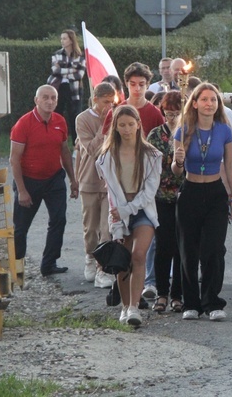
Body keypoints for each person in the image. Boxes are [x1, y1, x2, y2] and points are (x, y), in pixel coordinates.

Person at [171, 83, 232, 321]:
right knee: (188, 250)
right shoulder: (184, 130)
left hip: (215, 193)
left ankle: (212, 301)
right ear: (196, 102)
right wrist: (178, 161)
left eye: (214, 99)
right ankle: (191, 302)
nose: (209, 103)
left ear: (218, 104)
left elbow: (229, 165)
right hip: (190, 191)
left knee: (213, 249)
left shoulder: (224, 130)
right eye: (205, 99)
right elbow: (176, 172)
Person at [103, 62, 165, 302]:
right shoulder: (116, 112)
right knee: (122, 253)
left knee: (142, 250)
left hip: (145, 188)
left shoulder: (153, 113)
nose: (137, 88)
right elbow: (106, 148)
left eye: (141, 84)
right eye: (132, 84)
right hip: (119, 192)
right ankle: (123, 298)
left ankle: (143, 290)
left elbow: (161, 142)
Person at [95, 106, 162, 326]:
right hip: (119, 212)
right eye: (122, 125)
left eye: (130, 124)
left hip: (142, 210)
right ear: (115, 127)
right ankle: (125, 307)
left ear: (138, 125)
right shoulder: (106, 157)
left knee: (139, 255)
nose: (126, 129)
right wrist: (119, 215)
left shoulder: (152, 155)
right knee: (121, 259)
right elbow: (111, 191)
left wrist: (128, 209)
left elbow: (150, 192)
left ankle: (134, 306)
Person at [11, 85, 79, 276]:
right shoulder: (24, 123)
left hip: (54, 179)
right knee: (21, 228)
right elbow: (14, 158)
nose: (50, 102)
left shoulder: (60, 121)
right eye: (45, 98)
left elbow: (64, 151)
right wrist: (22, 190)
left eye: (53, 98)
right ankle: (17, 267)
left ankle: (48, 264)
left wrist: (73, 179)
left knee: (59, 220)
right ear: (37, 100)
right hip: (29, 180)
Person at [146, 91, 185, 313]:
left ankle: (178, 295)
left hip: (185, 195)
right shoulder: (155, 135)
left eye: (176, 114)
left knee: (182, 247)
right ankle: (161, 292)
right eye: (168, 114)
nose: (172, 118)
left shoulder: (189, 133)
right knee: (164, 245)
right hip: (161, 196)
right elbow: (151, 166)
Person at [75, 82, 116, 288]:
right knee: (90, 228)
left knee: (106, 227)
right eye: (105, 102)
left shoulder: (118, 116)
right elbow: (91, 149)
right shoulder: (82, 119)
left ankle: (103, 268)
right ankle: (90, 257)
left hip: (109, 182)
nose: (109, 106)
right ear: (95, 100)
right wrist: (104, 126)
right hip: (89, 180)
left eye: (112, 102)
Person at [47, 29, 85, 143]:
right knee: (56, 114)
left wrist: (62, 69)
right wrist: (71, 69)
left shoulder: (80, 56)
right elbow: (55, 71)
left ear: (71, 40)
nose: (62, 41)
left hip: (75, 90)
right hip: (59, 88)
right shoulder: (57, 54)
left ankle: (76, 144)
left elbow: (80, 74)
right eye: (61, 38)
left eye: (64, 38)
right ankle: (56, 141)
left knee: (75, 116)